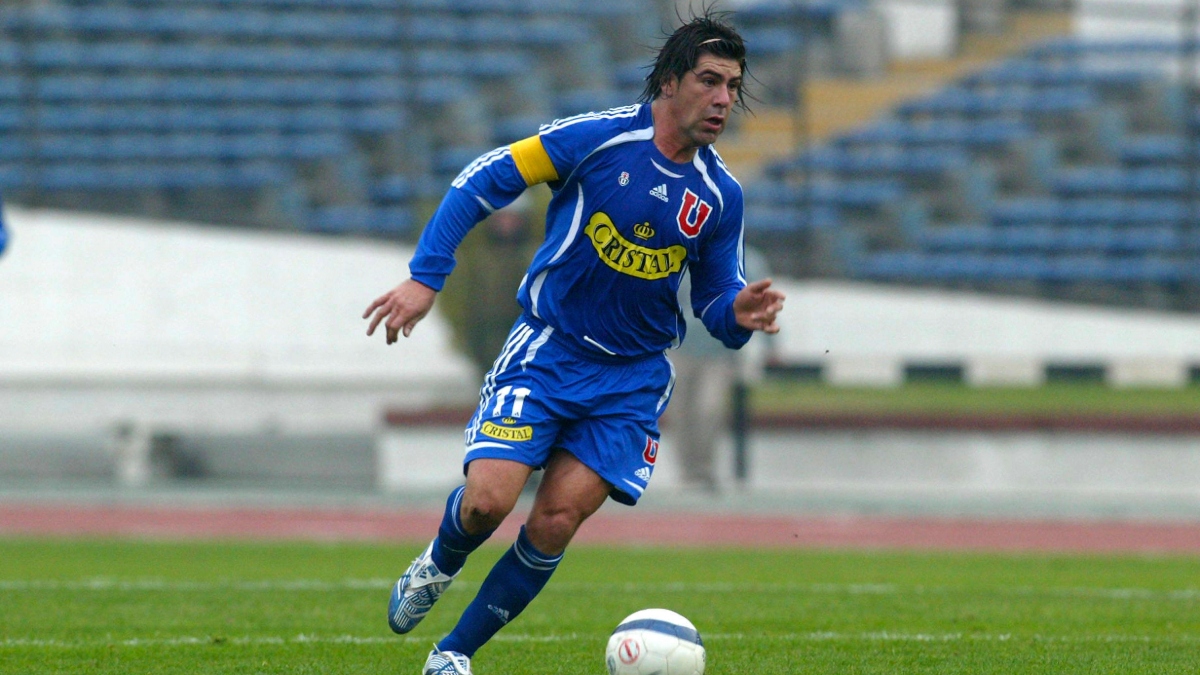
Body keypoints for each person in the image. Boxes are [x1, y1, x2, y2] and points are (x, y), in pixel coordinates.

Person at [363, 12, 784, 675]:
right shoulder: (598, 138)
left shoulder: (719, 195)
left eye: (733, 86)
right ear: (671, 82)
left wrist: (739, 309)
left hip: (631, 379)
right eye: (710, 81)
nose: (724, 99)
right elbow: (486, 177)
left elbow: (714, 301)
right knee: (488, 501)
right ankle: (439, 561)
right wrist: (426, 276)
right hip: (550, 348)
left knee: (555, 521)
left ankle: (451, 655)